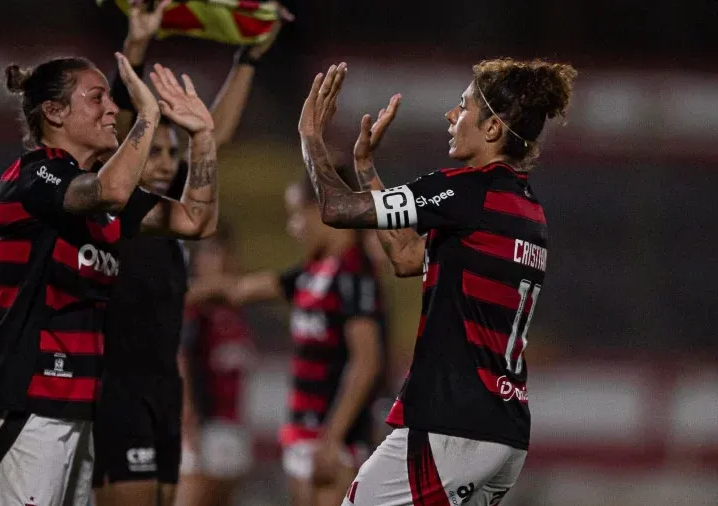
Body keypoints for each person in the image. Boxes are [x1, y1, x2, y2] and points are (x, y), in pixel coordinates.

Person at [296, 59, 576, 505]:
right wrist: (366, 167)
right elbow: (408, 257)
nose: (451, 115)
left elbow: (335, 209)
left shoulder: (468, 191)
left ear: (491, 130)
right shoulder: (528, 210)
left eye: (463, 106)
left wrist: (310, 138)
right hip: (504, 430)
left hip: (452, 425)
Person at [0, 52, 217, 506]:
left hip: (73, 406)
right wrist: (149, 115)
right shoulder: (34, 174)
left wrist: (204, 137)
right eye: (97, 99)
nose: (112, 108)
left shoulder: (102, 195)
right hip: (17, 402)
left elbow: (196, 220)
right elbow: (110, 189)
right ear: (54, 112)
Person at [91, 2, 289, 506]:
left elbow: (213, 138)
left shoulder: (168, 207)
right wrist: (135, 46)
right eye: (152, 152)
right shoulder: (116, 202)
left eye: (171, 153)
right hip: (122, 379)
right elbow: (119, 112)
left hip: (160, 385)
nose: (163, 164)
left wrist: (248, 59)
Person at [190, 175, 385, 506]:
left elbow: (367, 360)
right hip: (303, 432)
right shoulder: (310, 274)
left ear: (321, 212)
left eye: (297, 215)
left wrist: (332, 437)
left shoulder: (354, 274)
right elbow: (237, 291)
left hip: (334, 441)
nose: (293, 228)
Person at [175, 222, 257, 506]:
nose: (220, 261)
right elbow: (180, 359)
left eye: (224, 252)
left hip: (232, 426)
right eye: (211, 253)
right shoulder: (193, 308)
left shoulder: (236, 309)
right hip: (202, 427)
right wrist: (188, 418)